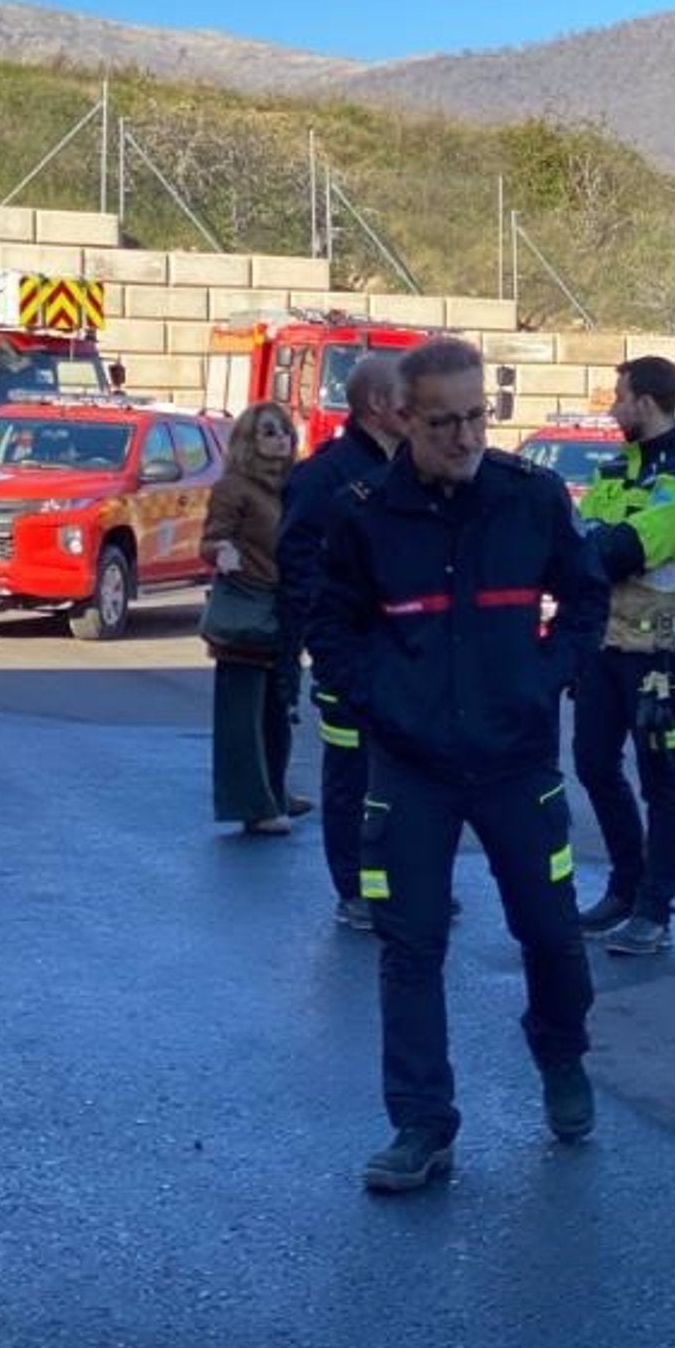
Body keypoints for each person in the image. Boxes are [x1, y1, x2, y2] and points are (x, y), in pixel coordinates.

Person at [308, 337, 610, 1193]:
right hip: (412, 768)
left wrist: (545, 679)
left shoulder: (531, 497)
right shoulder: (365, 514)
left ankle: (561, 1054)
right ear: (404, 419)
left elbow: (587, 597)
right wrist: (380, 702)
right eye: (445, 422)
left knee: (550, 933)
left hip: (517, 761)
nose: (467, 437)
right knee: (409, 945)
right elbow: (329, 624)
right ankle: (421, 1125)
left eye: (479, 416)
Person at [571, 357, 675, 956]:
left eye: (619, 397)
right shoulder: (614, 466)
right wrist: (587, 548)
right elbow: (577, 541)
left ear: (647, 402)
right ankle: (625, 885)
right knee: (592, 763)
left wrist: (593, 548)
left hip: (660, 650)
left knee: (659, 778)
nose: (613, 408)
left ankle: (655, 909)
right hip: (603, 644)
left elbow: (624, 549)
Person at [277, 353, 406, 932]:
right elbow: (300, 572)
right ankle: (356, 889)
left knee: (403, 778)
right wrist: (332, 652)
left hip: (402, 656)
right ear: (377, 404)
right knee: (352, 777)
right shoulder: (324, 478)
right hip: (351, 658)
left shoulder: (408, 467)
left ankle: (399, 881)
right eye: (407, 395)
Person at [202, 401, 304, 836]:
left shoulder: (291, 486)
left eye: (284, 431)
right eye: (269, 432)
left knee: (278, 710)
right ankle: (253, 805)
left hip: (282, 612)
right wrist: (223, 552)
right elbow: (212, 540)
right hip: (246, 608)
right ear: (249, 440)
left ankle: (275, 792)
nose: (281, 439)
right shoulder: (235, 488)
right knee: (242, 718)